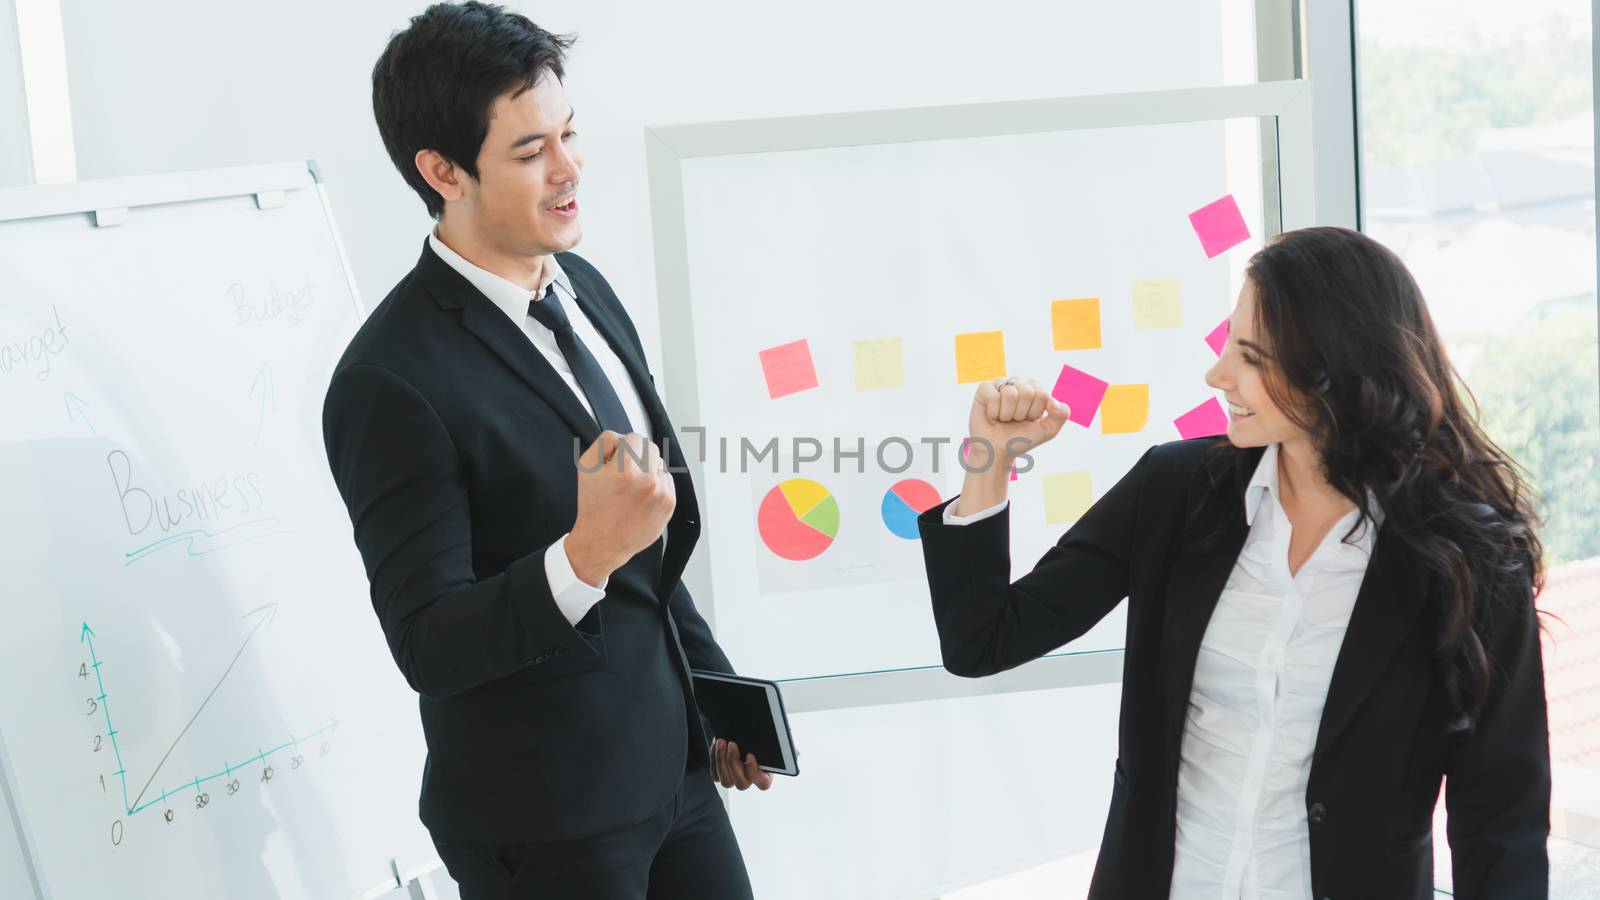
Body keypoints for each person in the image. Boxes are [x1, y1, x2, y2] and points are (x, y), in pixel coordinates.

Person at [917, 226, 1550, 899]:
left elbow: (1500, 824)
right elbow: (983, 638)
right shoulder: (1176, 492)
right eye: (1227, 344)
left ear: (1334, 367)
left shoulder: (1468, 559)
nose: (1219, 375)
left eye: (1250, 356)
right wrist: (992, 458)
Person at [321, 4, 768, 898]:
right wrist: (582, 555)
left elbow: (647, 552)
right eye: (530, 153)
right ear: (442, 171)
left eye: (568, 135)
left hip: (675, 776)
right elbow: (429, 642)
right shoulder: (389, 381)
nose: (569, 171)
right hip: (542, 824)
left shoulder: (584, 288)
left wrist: (716, 698)